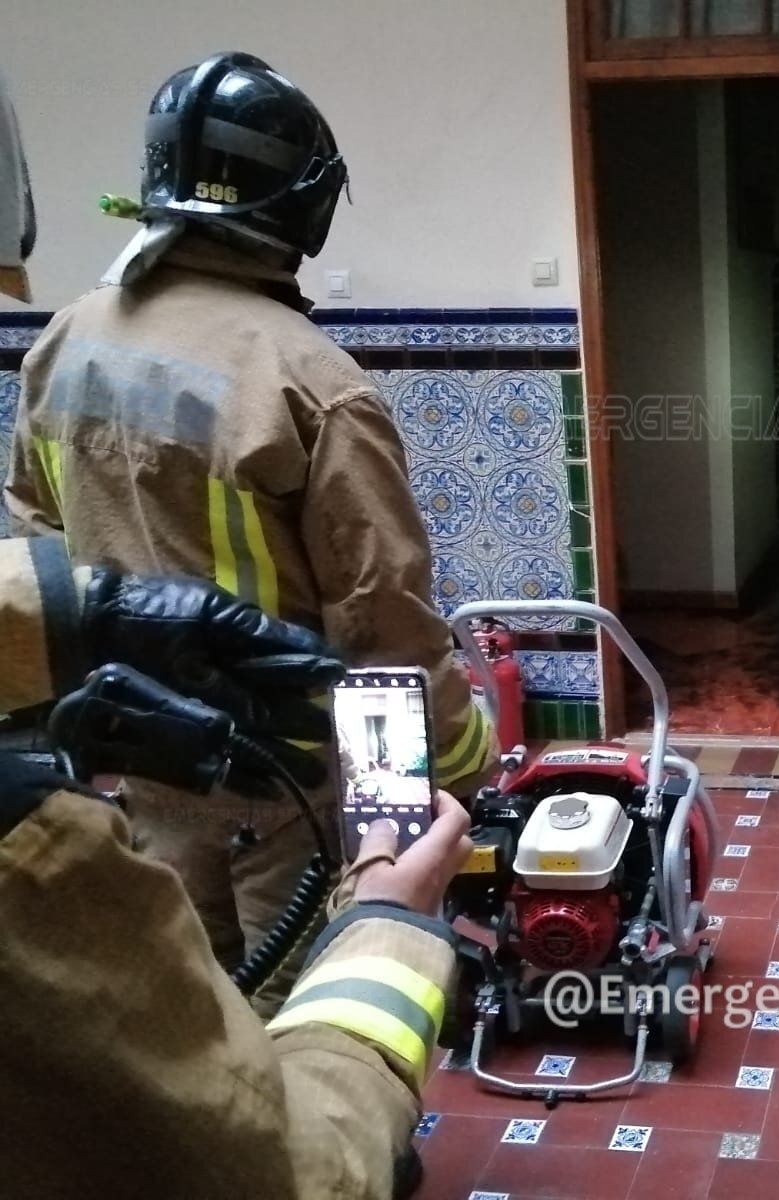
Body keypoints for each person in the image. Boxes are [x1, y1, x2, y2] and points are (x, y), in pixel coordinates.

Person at [4, 51, 495, 1014]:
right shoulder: (308, 379)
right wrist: (458, 751)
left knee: (189, 996)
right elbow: (381, 620)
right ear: (300, 208)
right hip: (288, 782)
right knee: (313, 1003)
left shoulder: (65, 341)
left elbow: (34, 536)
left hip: (138, 755)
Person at [0, 532, 472, 1198]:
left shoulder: (39, 418)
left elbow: (33, 511)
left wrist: (82, 613)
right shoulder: (32, 862)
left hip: (158, 748)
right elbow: (291, 1181)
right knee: (277, 982)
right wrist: (385, 927)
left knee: (209, 970)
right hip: (276, 770)